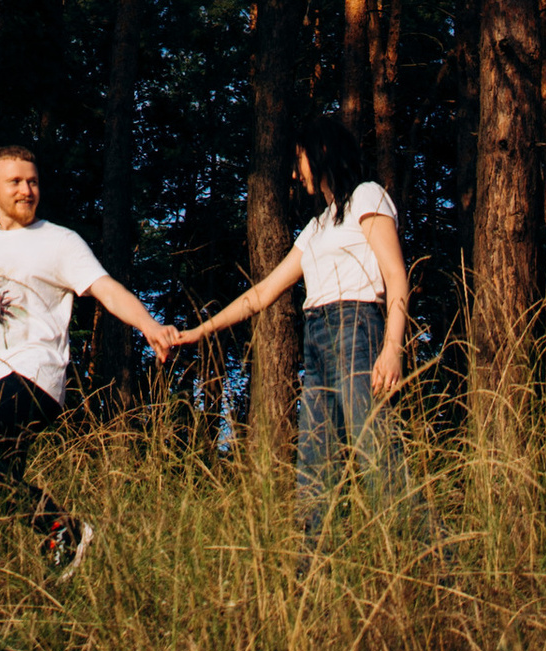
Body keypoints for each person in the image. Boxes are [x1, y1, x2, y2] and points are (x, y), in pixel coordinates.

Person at [0, 140, 175, 575]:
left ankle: (63, 527)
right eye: (15, 182)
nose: (27, 190)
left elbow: (106, 289)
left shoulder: (59, 241)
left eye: (33, 182)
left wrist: (149, 325)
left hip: (33, 376)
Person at [173, 109, 409, 521]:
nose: (296, 173)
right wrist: (199, 331)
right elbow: (263, 293)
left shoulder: (367, 196)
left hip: (356, 331)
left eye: (299, 159)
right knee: (314, 470)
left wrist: (392, 348)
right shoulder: (317, 227)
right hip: (316, 343)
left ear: (322, 150)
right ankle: (310, 560)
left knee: (376, 455)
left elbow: (395, 275)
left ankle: (426, 553)